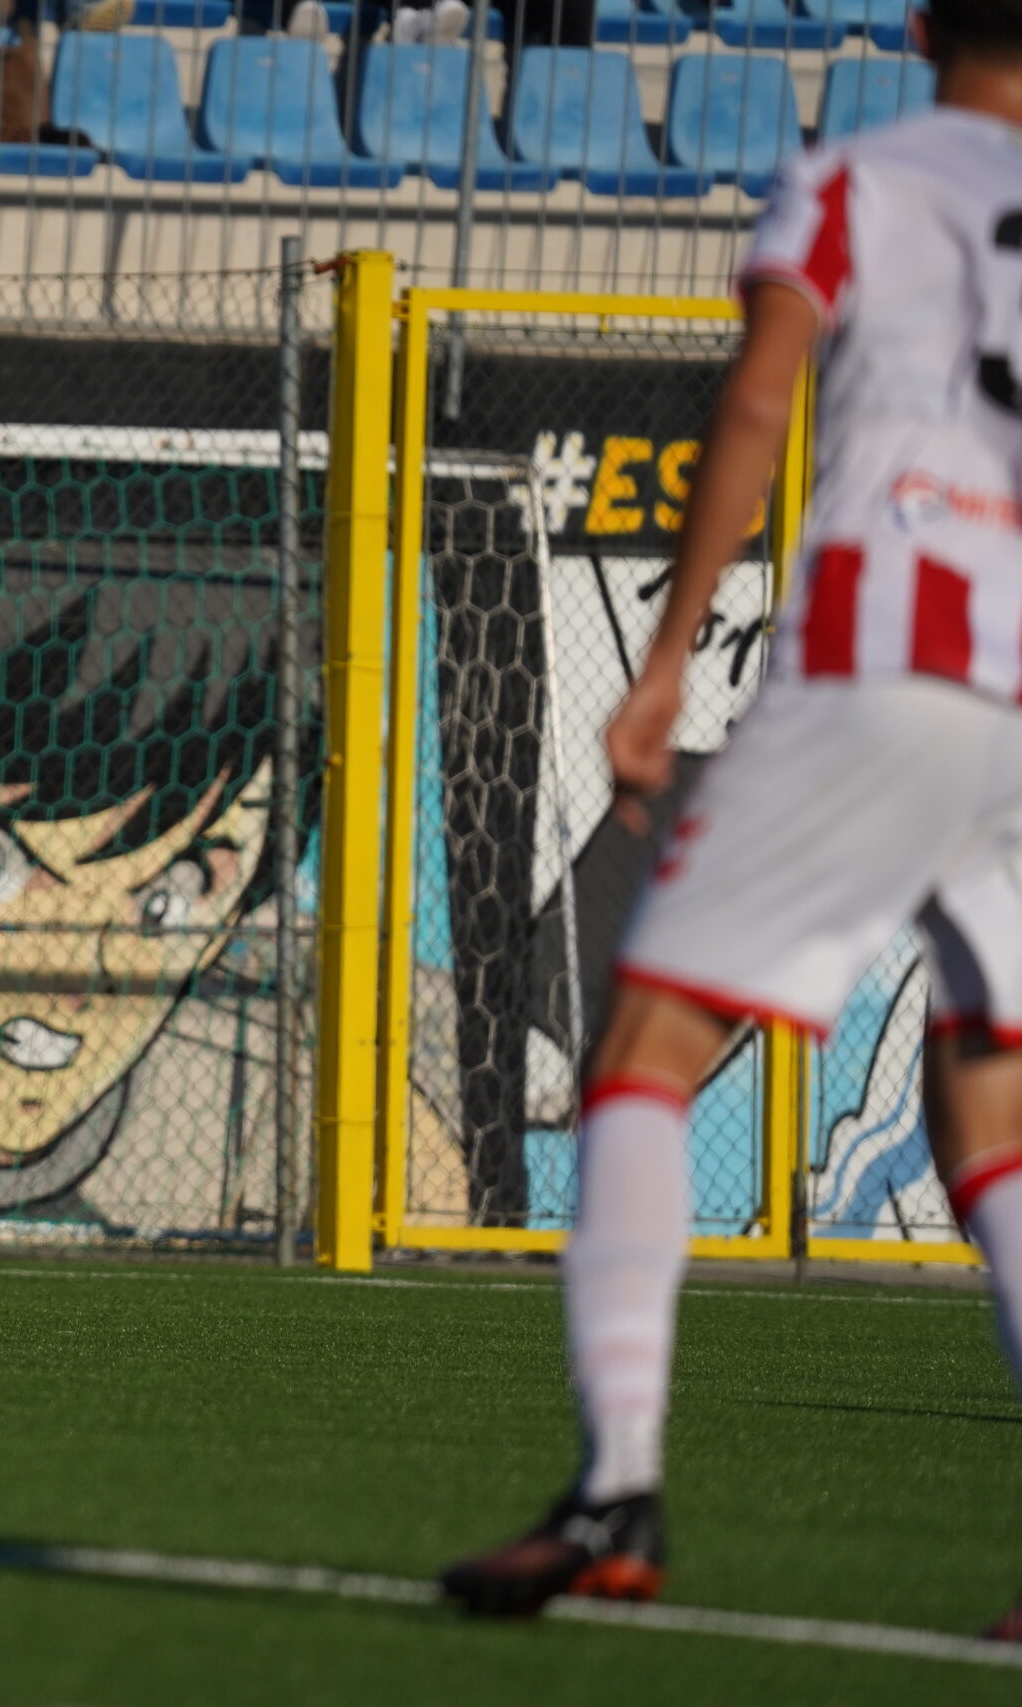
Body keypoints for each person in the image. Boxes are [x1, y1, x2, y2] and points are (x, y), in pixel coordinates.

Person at [440, 0, 1022, 1639]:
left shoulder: (861, 175)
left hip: (880, 658)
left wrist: (670, 652)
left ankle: (615, 1480)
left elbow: (760, 406)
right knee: (990, 1116)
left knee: (642, 1044)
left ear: (920, 23)